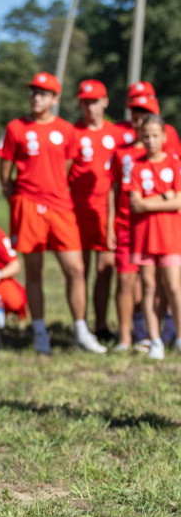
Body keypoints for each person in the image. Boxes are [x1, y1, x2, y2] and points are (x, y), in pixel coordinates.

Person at [0, 71, 106, 355]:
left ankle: (81, 330)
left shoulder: (67, 130)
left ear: (55, 99)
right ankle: (40, 332)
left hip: (60, 207)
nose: (36, 97)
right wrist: (16, 193)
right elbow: (5, 171)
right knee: (34, 269)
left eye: (43, 93)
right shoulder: (15, 128)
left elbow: (67, 168)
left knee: (76, 268)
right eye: (33, 92)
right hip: (28, 206)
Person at [68, 79, 131, 342]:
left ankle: (102, 325)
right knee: (78, 270)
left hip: (106, 213)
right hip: (77, 211)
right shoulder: (73, 133)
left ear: (105, 102)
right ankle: (80, 326)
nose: (90, 107)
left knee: (105, 269)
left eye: (94, 102)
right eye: (85, 102)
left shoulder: (118, 135)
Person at [123, 115, 181, 360]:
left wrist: (150, 201)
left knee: (174, 288)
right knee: (148, 287)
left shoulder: (174, 164)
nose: (150, 140)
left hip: (170, 236)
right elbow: (135, 205)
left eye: (155, 135)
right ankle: (154, 339)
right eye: (146, 136)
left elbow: (179, 200)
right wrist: (164, 198)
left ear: (164, 137)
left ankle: (178, 337)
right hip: (144, 236)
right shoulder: (136, 167)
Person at [107, 102, 150, 352]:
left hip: (151, 228)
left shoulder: (164, 155)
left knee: (149, 284)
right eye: (135, 114)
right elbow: (112, 191)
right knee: (125, 281)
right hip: (125, 225)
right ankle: (124, 337)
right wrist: (110, 225)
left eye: (144, 116)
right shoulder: (121, 153)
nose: (139, 120)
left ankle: (145, 333)